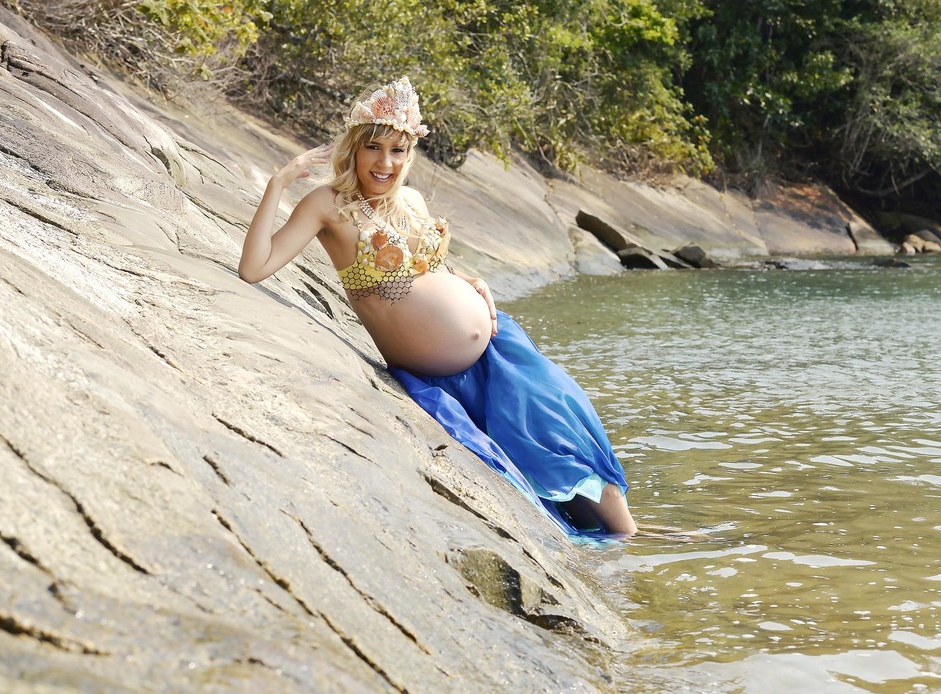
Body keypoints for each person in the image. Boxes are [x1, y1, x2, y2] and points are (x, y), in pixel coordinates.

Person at [238, 76, 643, 537]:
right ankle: (628, 550)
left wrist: (471, 282)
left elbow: (430, 271)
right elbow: (254, 268)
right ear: (354, 148)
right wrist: (277, 182)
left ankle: (633, 548)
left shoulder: (409, 200)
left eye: (398, 150)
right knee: (548, 472)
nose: (385, 162)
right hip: (439, 373)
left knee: (573, 447)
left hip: (498, 350)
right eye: (374, 147)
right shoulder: (328, 205)